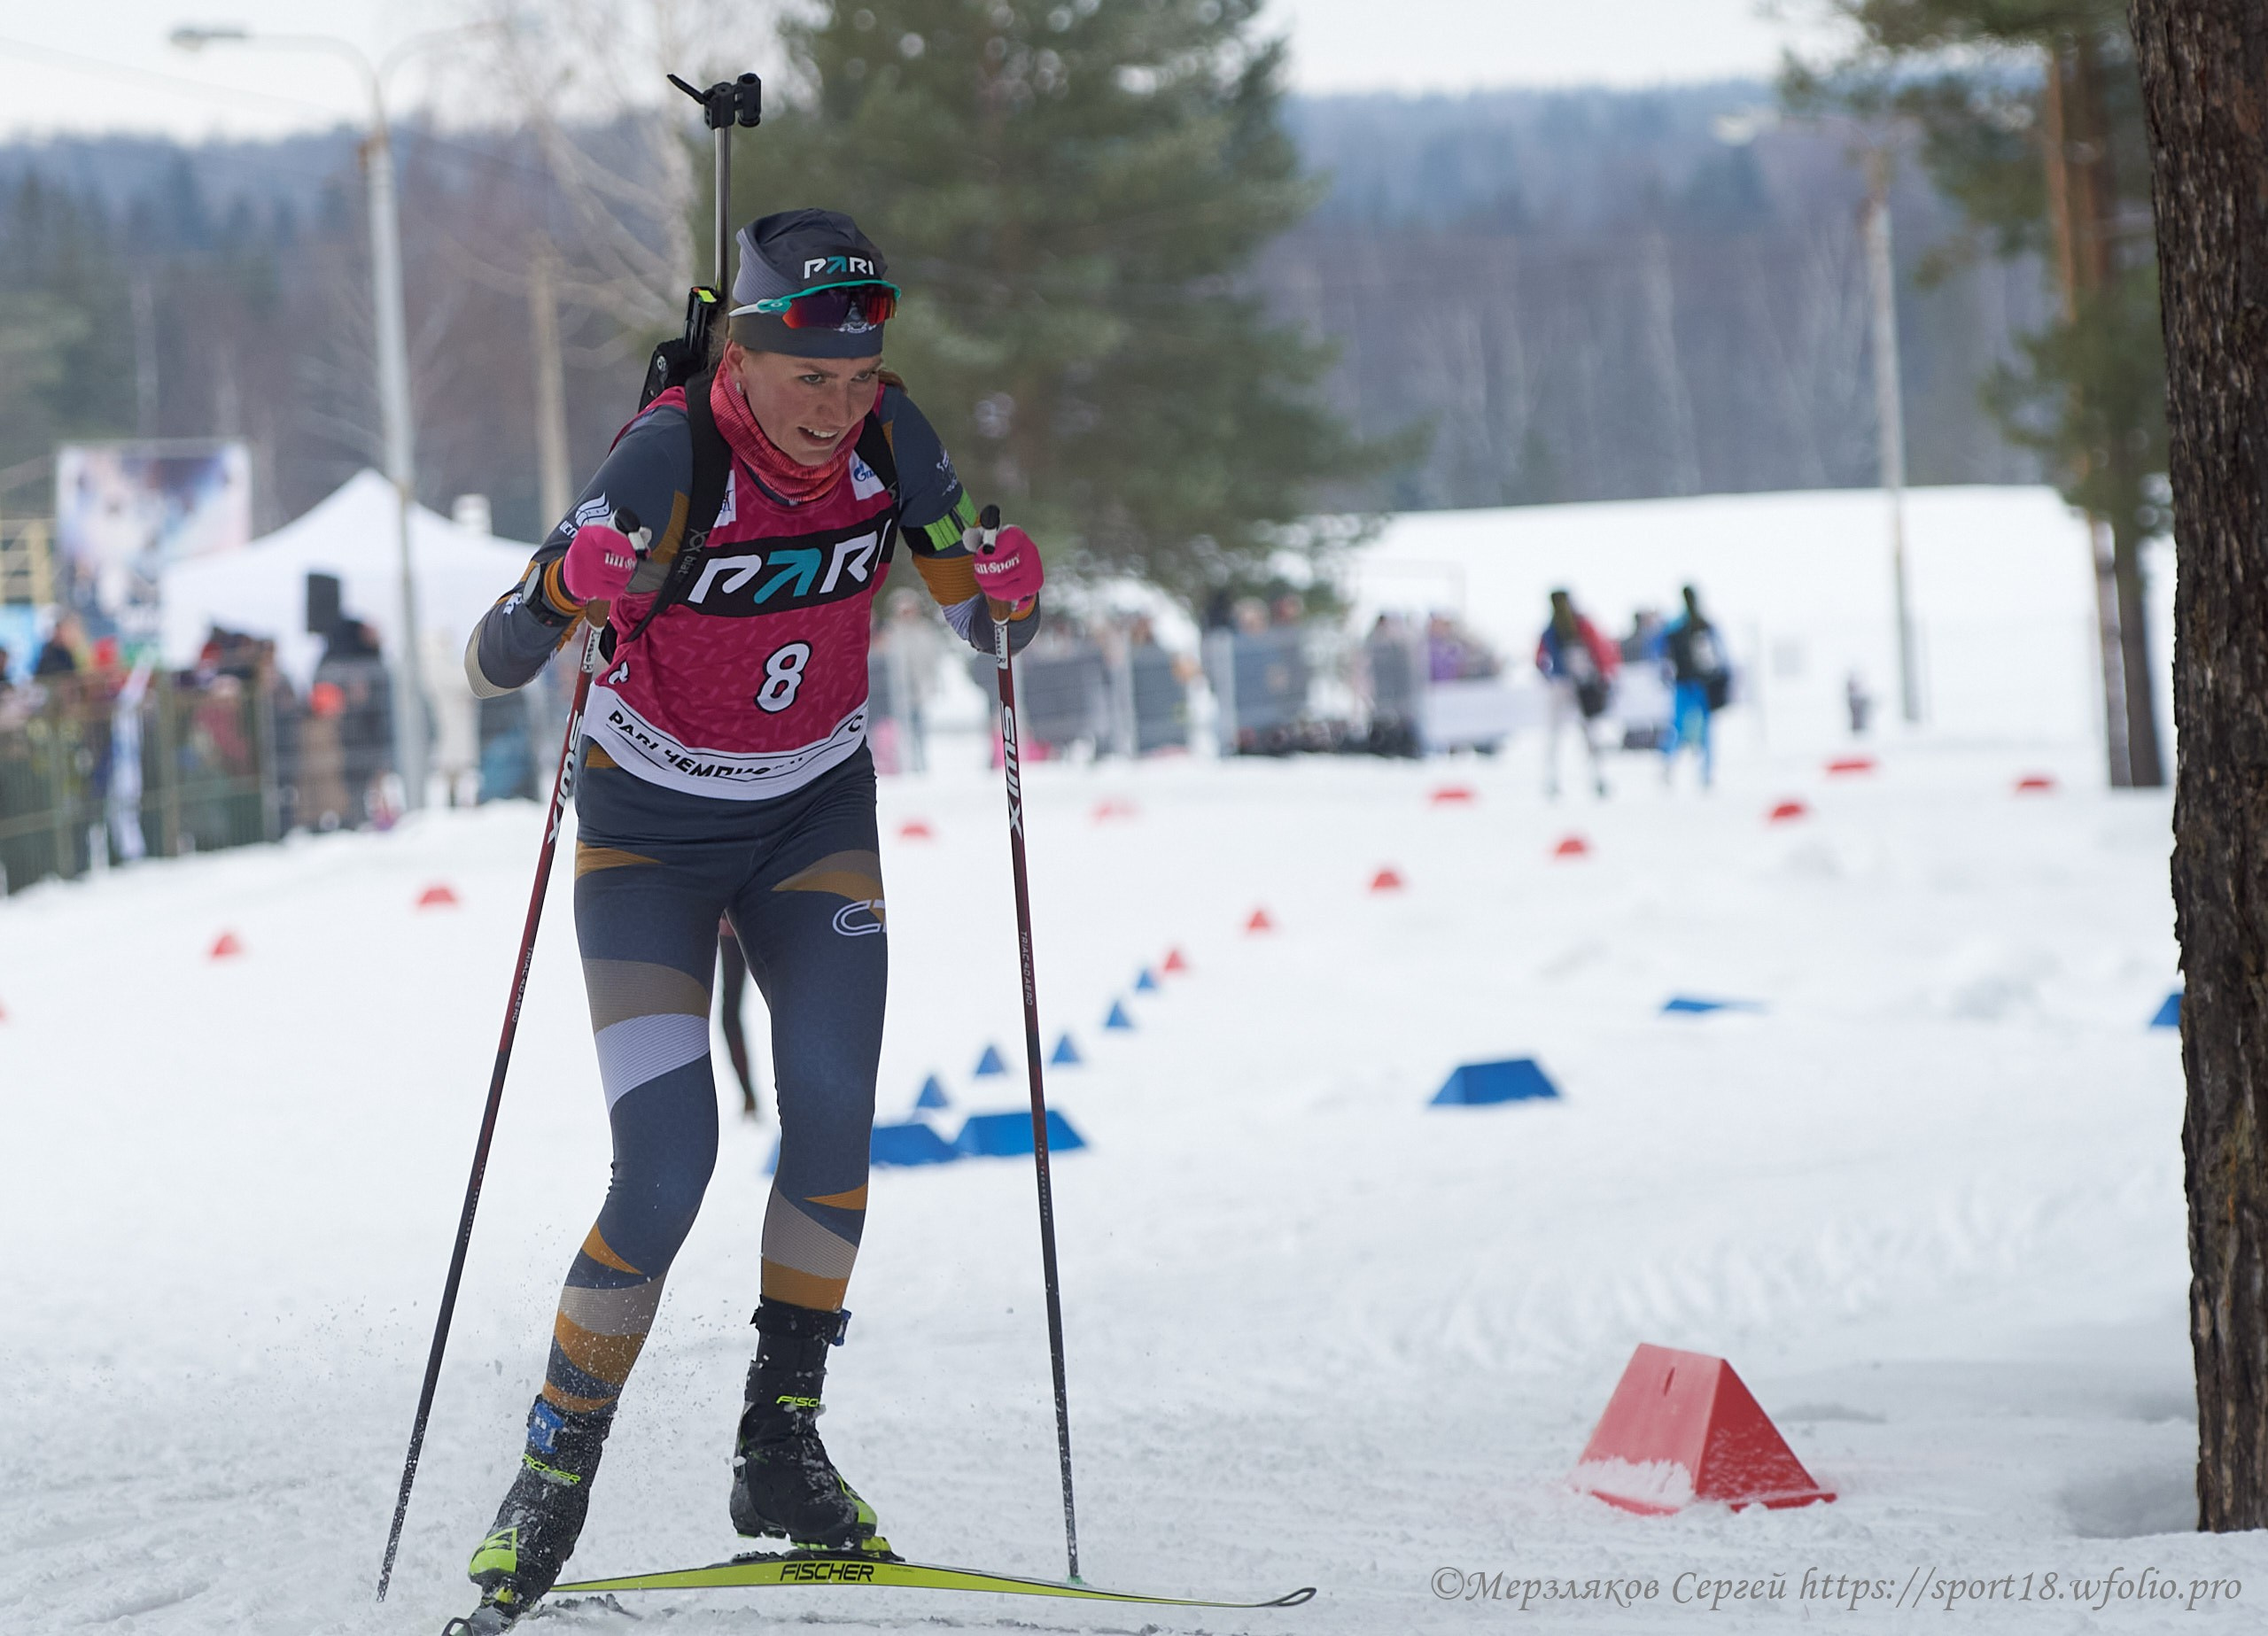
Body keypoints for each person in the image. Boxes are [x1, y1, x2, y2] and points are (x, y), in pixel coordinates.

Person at [454, 208, 1043, 1626]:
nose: (837, 412)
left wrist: (1012, 598)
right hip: (650, 840)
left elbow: (986, 621)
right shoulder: (671, 456)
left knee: (835, 1114)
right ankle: (552, 1472)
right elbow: (491, 656)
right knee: (668, 1162)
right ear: (743, 352)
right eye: (809, 382)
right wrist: (558, 588)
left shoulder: (895, 437)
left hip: (810, 817)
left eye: (858, 380)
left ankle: (777, 1444)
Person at [1534, 589, 1619, 798]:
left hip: (1563, 685)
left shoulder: (1553, 629)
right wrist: (1603, 676)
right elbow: (1600, 651)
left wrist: (1551, 675)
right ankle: (1598, 779)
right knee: (1589, 734)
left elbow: (1539, 660)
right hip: (1581, 685)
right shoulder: (1580, 625)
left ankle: (1554, 781)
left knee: (1557, 735)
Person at [1656, 584, 1730, 788]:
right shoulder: (1702, 625)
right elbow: (1722, 657)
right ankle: (1702, 773)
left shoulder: (1676, 627)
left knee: (1679, 729)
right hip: (1697, 685)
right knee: (1700, 730)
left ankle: (1671, 768)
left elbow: (1659, 653)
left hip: (1688, 684)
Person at [717, 916, 763, 1118]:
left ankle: (802, 1093)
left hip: (770, 908)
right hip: (730, 922)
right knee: (729, 1013)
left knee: (790, 1000)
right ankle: (748, 1096)